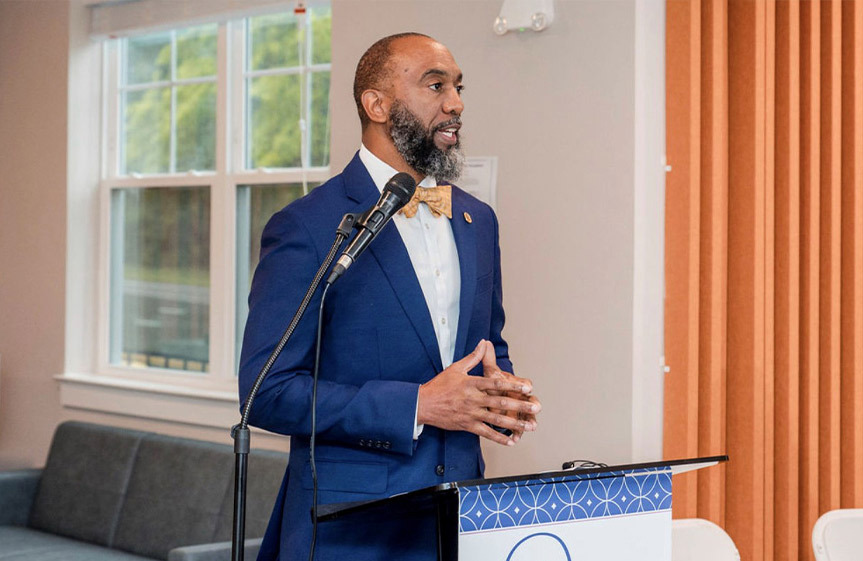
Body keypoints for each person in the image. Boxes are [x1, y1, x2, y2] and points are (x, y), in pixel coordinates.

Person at [238, 32, 541, 561]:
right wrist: (418, 405)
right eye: (435, 84)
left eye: (458, 87)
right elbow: (266, 391)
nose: (456, 103)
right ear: (376, 105)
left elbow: (487, 344)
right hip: (350, 528)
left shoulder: (477, 220)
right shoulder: (307, 227)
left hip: (458, 518)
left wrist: (498, 393)